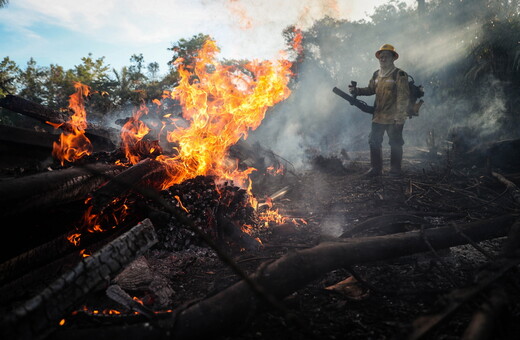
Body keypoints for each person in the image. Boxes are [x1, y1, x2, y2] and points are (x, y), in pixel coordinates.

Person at [349, 44, 410, 177]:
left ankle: (395, 170)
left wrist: (400, 117)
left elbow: (403, 97)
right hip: (378, 116)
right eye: (381, 57)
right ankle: (375, 169)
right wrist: (357, 91)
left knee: (395, 142)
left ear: (393, 58)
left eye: (386, 56)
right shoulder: (376, 74)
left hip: (394, 117)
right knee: (374, 141)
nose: (383, 59)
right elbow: (371, 89)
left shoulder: (399, 74)